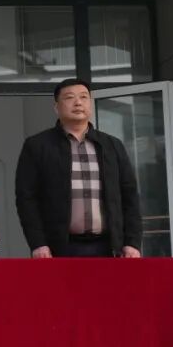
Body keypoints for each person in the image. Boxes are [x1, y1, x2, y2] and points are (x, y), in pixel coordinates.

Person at [15, 78, 143, 258]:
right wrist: (38, 243)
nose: (78, 102)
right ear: (56, 107)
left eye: (84, 97)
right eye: (69, 97)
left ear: (90, 104)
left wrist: (132, 242)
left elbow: (130, 196)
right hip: (58, 248)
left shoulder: (112, 145)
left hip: (109, 247)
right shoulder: (37, 146)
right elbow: (27, 199)